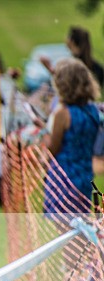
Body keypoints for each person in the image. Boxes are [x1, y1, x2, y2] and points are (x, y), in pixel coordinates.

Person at [43, 57, 101, 217]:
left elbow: (54, 148)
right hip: (84, 177)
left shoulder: (63, 113)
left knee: (65, 232)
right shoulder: (93, 111)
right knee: (77, 230)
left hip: (63, 180)